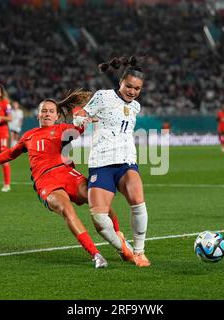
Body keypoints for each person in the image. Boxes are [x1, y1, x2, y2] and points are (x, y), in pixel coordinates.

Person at [0, 91, 133, 268]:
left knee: (99, 200)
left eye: (51, 111)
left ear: (56, 116)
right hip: (46, 181)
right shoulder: (29, 135)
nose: (47, 114)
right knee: (66, 210)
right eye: (44, 111)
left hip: (67, 174)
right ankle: (96, 255)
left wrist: (79, 117)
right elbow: (10, 154)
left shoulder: (62, 130)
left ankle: (120, 239)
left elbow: (78, 128)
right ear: (38, 114)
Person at [74, 56, 151, 267]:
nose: (132, 91)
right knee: (99, 218)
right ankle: (123, 247)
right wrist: (82, 119)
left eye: (137, 88)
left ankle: (140, 251)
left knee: (138, 199)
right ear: (121, 83)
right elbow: (79, 115)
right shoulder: (103, 97)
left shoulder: (136, 106)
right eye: (129, 86)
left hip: (127, 161)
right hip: (101, 162)